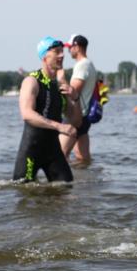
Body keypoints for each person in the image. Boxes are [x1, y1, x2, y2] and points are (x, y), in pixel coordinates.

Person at [13, 37, 82, 183]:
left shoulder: (60, 84)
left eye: (62, 51)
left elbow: (76, 121)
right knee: (24, 192)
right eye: (57, 52)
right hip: (31, 151)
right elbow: (27, 114)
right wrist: (59, 126)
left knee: (66, 188)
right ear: (45, 56)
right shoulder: (31, 81)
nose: (62, 55)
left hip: (53, 151)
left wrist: (75, 98)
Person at [59, 34, 98, 163]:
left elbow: (72, 92)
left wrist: (61, 78)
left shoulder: (82, 65)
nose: (68, 50)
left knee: (60, 155)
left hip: (76, 115)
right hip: (85, 116)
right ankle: (86, 181)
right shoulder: (89, 64)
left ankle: (64, 182)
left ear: (77, 47)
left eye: (70, 47)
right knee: (82, 157)